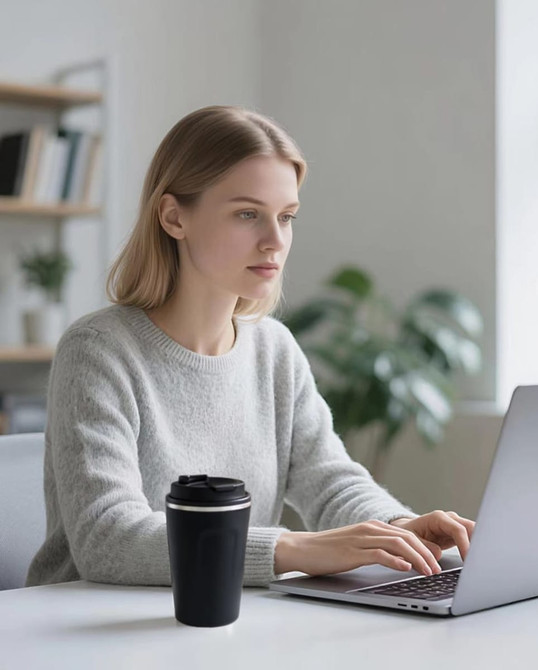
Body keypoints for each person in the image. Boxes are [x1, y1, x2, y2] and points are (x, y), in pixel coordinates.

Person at [26, 105, 474, 588]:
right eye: (247, 214)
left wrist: (397, 528)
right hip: (86, 632)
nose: (275, 241)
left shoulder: (274, 350)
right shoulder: (98, 351)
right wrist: (291, 547)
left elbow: (330, 479)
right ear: (174, 217)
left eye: (286, 216)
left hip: (228, 623)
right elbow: (108, 539)